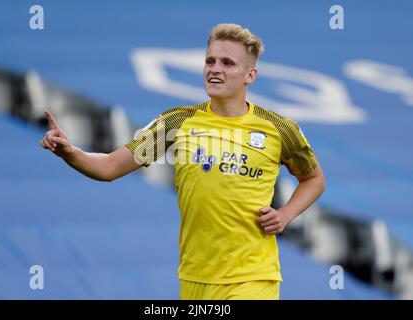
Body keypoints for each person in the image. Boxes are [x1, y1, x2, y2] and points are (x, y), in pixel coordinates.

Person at [40, 23, 325, 300]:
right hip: (195, 278)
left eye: (228, 63)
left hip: (253, 277)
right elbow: (110, 167)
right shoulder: (178, 122)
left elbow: (313, 180)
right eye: (210, 61)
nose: (215, 69)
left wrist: (285, 215)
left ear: (250, 75)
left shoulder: (277, 128)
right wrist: (70, 153)